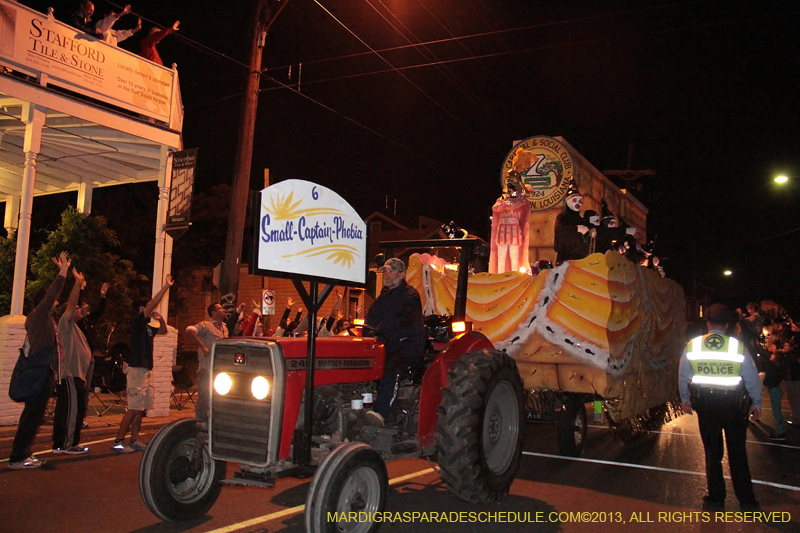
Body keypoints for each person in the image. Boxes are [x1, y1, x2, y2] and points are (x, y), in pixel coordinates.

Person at [679, 303, 762, 510]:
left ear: (707, 323)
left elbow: (683, 375)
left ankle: (716, 499)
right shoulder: (736, 346)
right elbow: (751, 378)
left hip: (706, 405)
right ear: (726, 325)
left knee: (712, 454)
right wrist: (756, 402)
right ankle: (747, 502)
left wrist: (685, 400)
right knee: (737, 453)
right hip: (733, 406)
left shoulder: (693, 345)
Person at [8, 252, 70, 470]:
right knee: (31, 417)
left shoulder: (46, 320)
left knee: (34, 417)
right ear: (45, 301)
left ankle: (23, 453)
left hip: (44, 372)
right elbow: (52, 292)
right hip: (38, 372)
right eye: (53, 299)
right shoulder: (38, 316)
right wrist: (63, 272)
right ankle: (17, 457)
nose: (56, 301)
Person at [111, 275, 172, 453]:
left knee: (140, 409)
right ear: (140, 309)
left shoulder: (147, 327)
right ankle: (118, 441)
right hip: (136, 369)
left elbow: (163, 330)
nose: (151, 309)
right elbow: (152, 303)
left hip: (145, 369)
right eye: (147, 307)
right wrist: (165, 287)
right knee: (133, 408)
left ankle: (134, 439)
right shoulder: (137, 322)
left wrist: (160, 319)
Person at [364, 258, 426, 427]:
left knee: (391, 366)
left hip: (407, 344)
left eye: (391, 271)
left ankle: (381, 413)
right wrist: (367, 331)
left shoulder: (410, 295)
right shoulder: (383, 297)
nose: (387, 275)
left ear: (402, 274)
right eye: (385, 271)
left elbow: (397, 321)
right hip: (387, 344)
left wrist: (380, 331)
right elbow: (371, 318)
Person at [52, 268, 92, 455]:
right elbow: (71, 304)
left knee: (68, 409)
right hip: (68, 374)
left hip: (77, 376)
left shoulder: (77, 329)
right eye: (77, 308)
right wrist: (76, 283)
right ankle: (68, 444)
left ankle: (60, 444)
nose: (79, 309)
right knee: (72, 410)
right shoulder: (65, 323)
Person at [184, 302, 229, 422]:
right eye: (220, 309)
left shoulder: (224, 328)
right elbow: (189, 330)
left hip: (220, 371)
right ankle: (200, 422)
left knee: (218, 398)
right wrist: (203, 346)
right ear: (214, 313)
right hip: (207, 369)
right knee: (204, 397)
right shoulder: (206, 325)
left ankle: (213, 422)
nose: (223, 310)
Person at [489, 172, 531, 273]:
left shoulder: (521, 201)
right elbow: (495, 208)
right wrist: (505, 202)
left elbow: (518, 207)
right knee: (501, 256)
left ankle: (514, 276)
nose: (510, 191)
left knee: (514, 255)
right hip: (502, 231)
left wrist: (507, 204)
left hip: (514, 231)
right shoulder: (501, 200)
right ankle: (500, 275)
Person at [78, 282, 109, 417]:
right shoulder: (77, 322)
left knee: (86, 388)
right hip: (79, 358)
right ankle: (77, 415)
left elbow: (99, 311)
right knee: (79, 386)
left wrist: (103, 297)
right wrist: (80, 289)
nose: (88, 308)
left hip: (89, 356)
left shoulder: (88, 321)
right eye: (84, 306)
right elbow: (75, 303)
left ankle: (82, 416)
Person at [553, 179, 594, 265]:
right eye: (575, 200)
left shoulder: (581, 219)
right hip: (566, 261)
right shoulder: (562, 217)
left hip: (581, 260)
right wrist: (576, 229)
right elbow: (560, 232)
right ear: (568, 201)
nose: (578, 203)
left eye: (580, 201)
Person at [759, 344, 786, 440]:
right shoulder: (777, 366)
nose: (771, 356)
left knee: (777, 412)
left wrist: (758, 346)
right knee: (776, 411)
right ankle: (780, 430)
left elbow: (765, 357)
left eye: (773, 355)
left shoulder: (774, 366)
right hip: (775, 389)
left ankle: (781, 431)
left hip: (774, 390)